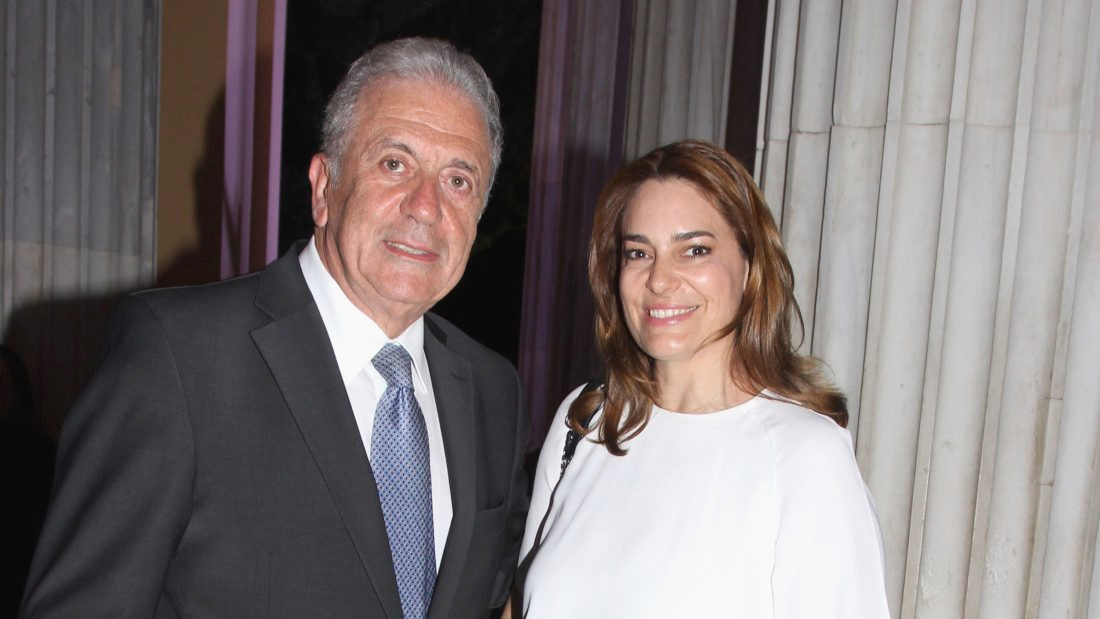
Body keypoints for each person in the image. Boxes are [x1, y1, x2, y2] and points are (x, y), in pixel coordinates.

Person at [21, 37, 528, 618]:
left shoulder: (494, 393)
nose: (426, 206)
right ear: (324, 188)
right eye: (395, 163)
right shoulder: (178, 356)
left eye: (458, 180)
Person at [513, 140, 889, 617]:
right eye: (638, 253)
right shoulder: (586, 421)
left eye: (694, 250)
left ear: (750, 266)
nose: (659, 279)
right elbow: (520, 603)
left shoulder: (804, 455)